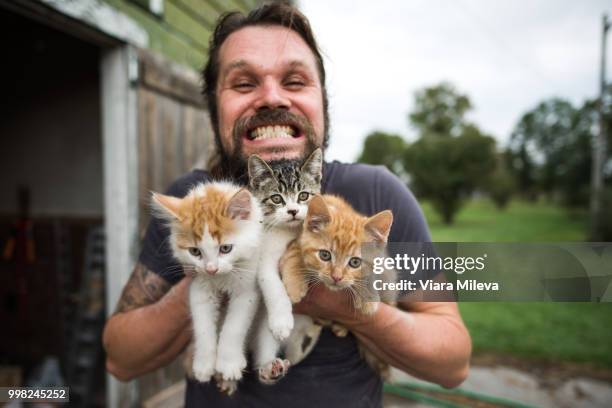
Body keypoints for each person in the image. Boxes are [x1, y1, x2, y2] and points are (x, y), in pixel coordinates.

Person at [103, 3, 472, 407]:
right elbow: (120, 360)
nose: (271, 97)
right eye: (244, 84)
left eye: (295, 81)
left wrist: (345, 305)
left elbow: (452, 364)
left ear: (323, 103)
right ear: (214, 109)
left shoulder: (373, 196)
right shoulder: (193, 205)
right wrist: (209, 267)